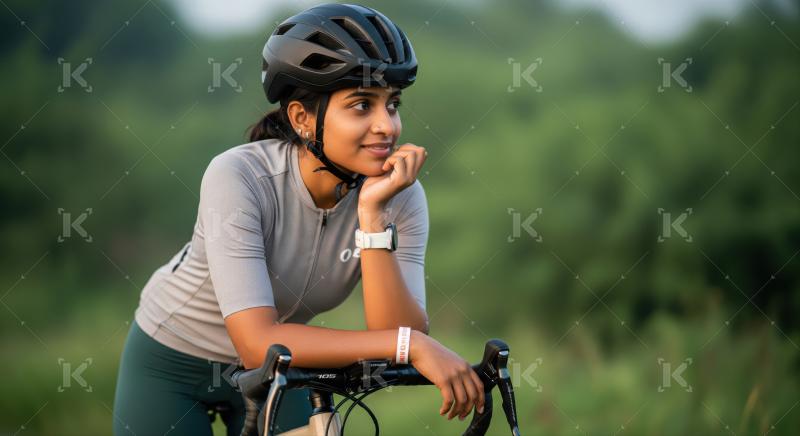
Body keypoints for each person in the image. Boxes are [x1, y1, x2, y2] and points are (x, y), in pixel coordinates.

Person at [112, 4, 484, 435]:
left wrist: (371, 217)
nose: (387, 125)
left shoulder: (399, 197)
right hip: (173, 359)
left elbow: (392, 335)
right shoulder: (239, 176)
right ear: (302, 119)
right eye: (362, 105)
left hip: (284, 366)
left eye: (393, 104)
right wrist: (412, 344)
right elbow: (256, 342)